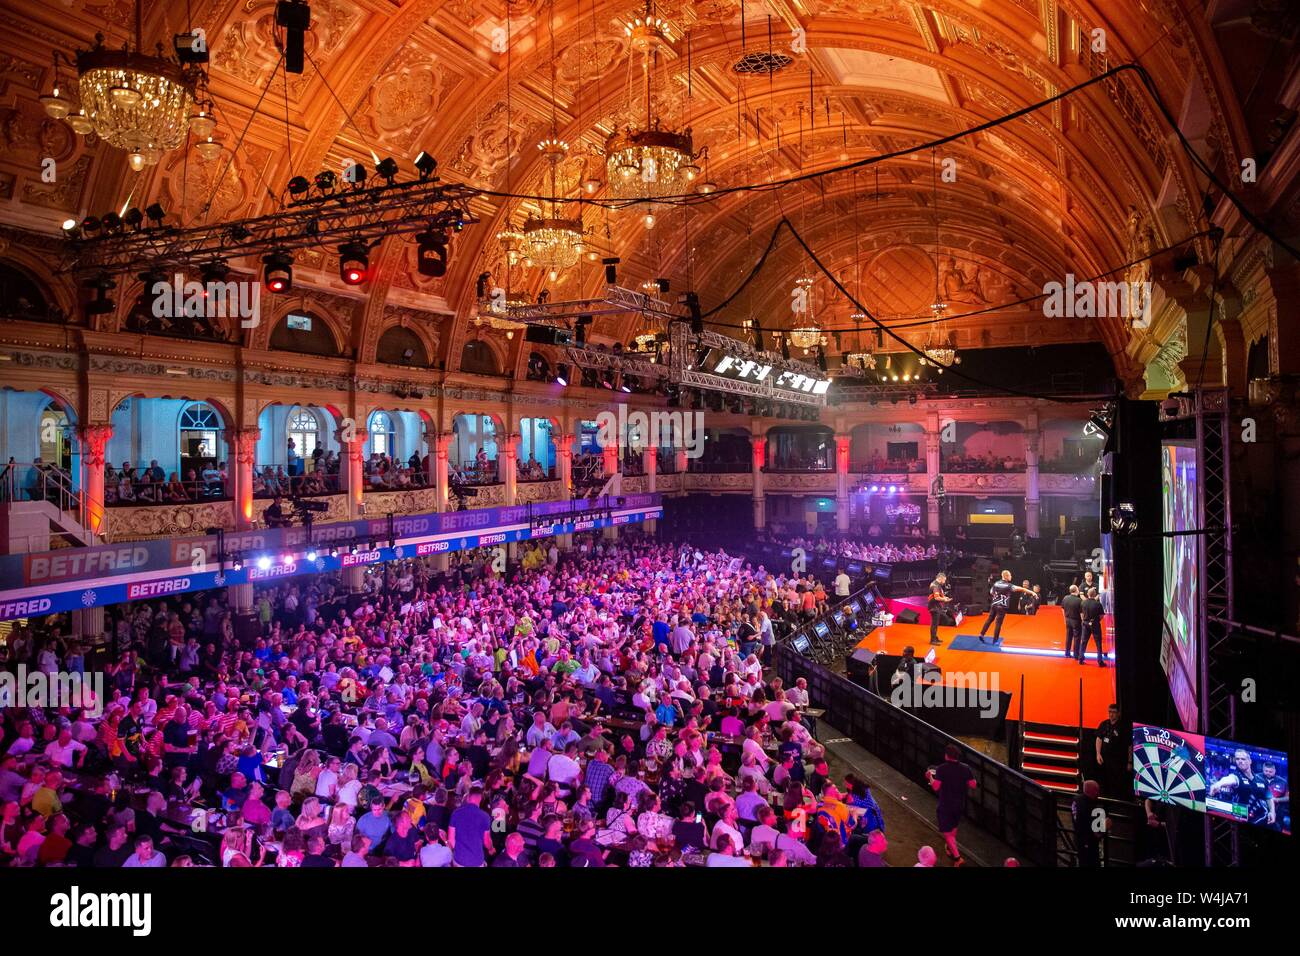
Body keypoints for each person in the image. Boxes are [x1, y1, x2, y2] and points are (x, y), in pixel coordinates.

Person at [927, 744, 975, 865]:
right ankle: (949, 847)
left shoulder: (942, 769)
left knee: (947, 834)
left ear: (946, 756)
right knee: (953, 829)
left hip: (945, 805)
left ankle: (958, 858)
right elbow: (973, 784)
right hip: (959, 804)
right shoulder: (966, 768)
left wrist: (930, 777)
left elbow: (936, 787)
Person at [977, 570, 1034, 644]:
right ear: (1006, 576)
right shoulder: (1009, 585)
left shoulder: (996, 583)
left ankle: (981, 634)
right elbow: (1022, 589)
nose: (1011, 576)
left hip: (994, 605)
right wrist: (1033, 592)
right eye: (1010, 575)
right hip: (1002, 607)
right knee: (998, 624)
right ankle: (995, 640)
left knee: (989, 620)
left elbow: (991, 592)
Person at [1094, 704, 1128, 799]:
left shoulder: (1123, 727)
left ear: (1118, 714)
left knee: (1116, 783)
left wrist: (1129, 762)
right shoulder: (1104, 724)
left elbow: (1129, 745)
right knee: (1104, 781)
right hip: (1104, 758)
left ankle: (1116, 802)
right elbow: (1099, 738)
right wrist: (1098, 753)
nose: (1111, 714)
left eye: (1113, 712)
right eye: (1110, 712)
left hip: (1118, 760)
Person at [1071, 779, 1105, 867]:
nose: (1099, 793)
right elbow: (1097, 834)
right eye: (1097, 790)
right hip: (1090, 845)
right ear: (1094, 792)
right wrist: (1106, 825)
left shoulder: (1076, 800)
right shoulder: (1095, 809)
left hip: (1079, 840)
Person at [1079, 588, 1107, 665]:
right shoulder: (1098, 604)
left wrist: (1084, 621)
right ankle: (1100, 661)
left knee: (1084, 642)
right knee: (1098, 643)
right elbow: (1101, 616)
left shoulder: (1083, 603)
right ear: (1095, 595)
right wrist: (1096, 621)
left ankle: (1081, 659)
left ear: (1087, 594)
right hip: (1095, 624)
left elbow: (1081, 614)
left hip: (1085, 624)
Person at [927, 573, 954, 645]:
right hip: (934, 607)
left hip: (936, 606)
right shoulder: (935, 586)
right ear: (941, 578)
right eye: (944, 580)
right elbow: (936, 597)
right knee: (934, 624)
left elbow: (939, 595)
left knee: (936, 624)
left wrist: (945, 597)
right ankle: (932, 640)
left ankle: (935, 637)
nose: (945, 582)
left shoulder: (937, 584)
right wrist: (944, 600)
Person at [1061, 585, 1083, 659]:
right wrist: (1083, 621)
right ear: (1076, 590)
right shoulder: (1079, 600)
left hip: (1068, 620)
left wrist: (1064, 618)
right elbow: (1081, 613)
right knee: (1077, 638)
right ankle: (1076, 655)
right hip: (1076, 621)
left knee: (1068, 636)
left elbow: (1062, 609)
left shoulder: (1065, 598)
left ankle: (1067, 653)